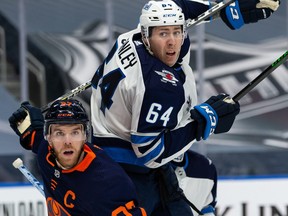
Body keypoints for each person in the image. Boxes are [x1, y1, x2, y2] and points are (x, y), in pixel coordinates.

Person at [90, 0, 280, 215]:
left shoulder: (130, 37)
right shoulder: (158, 86)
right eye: (163, 34)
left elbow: (178, 7)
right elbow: (149, 152)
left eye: (176, 32)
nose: (172, 42)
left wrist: (221, 7)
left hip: (106, 143)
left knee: (203, 170)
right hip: (129, 172)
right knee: (201, 177)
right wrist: (202, 122)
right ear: (147, 35)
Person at [9, 99, 147, 216]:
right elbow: (32, 135)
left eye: (75, 132)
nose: (67, 141)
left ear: (85, 136)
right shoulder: (46, 151)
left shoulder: (109, 185)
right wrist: (23, 121)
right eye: (59, 133)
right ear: (49, 138)